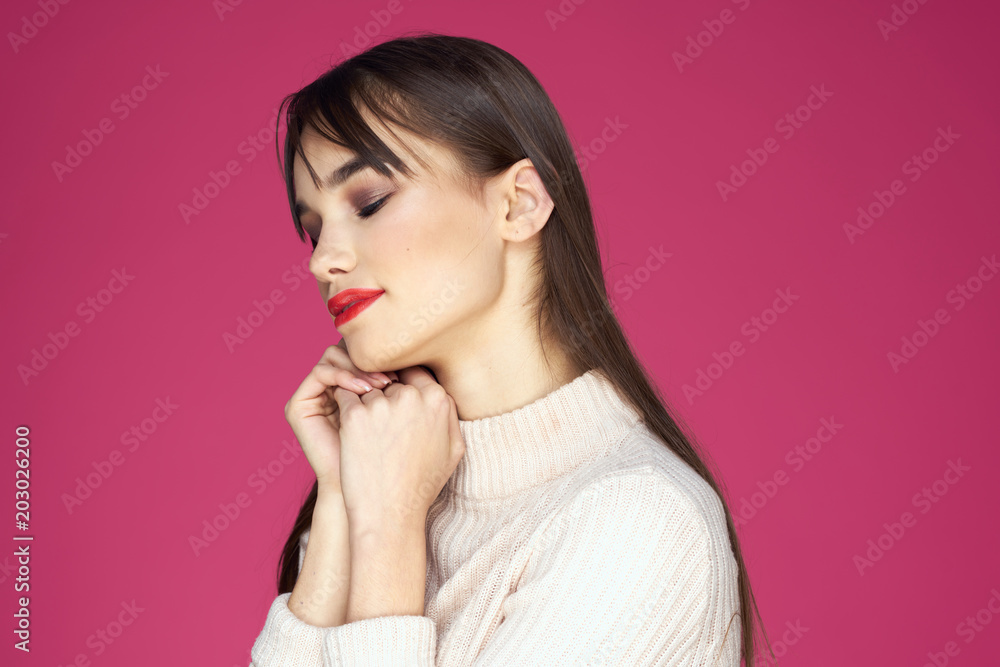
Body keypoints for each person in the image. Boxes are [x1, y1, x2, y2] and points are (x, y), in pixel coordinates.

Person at [249, 32, 774, 666]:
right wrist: (340, 496)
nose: (323, 261)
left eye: (369, 202)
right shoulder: (379, 483)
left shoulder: (642, 520)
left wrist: (388, 528)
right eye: (313, 232)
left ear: (519, 204)